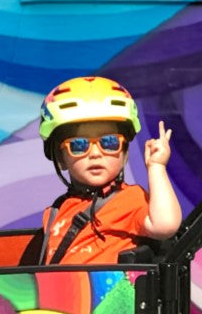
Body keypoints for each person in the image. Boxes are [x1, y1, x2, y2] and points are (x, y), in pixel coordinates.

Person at [38, 75, 183, 264]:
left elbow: (166, 225)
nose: (95, 154)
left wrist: (156, 167)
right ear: (60, 158)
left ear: (124, 153)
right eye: (79, 145)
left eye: (109, 142)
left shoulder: (128, 199)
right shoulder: (56, 210)